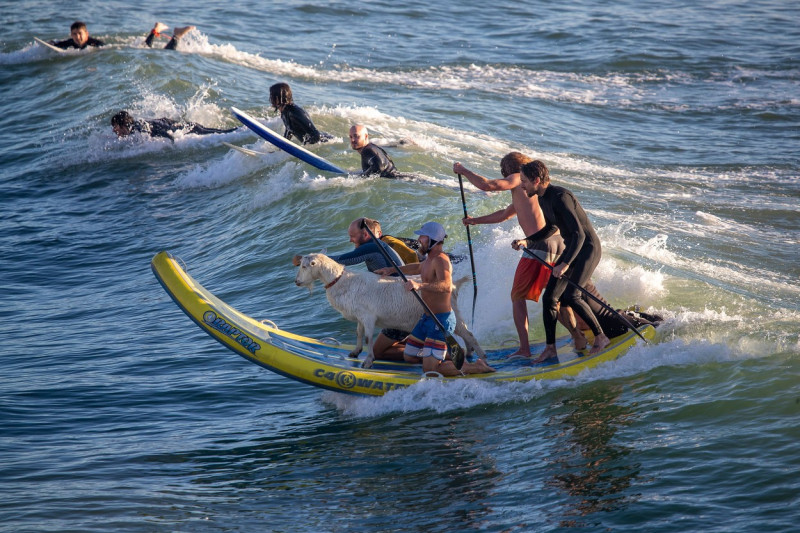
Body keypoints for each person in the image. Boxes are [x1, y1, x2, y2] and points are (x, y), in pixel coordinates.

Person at [455, 153, 565, 357]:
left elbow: (489, 185)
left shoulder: (516, 178)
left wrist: (464, 171)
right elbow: (505, 215)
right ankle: (580, 334)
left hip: (539, 245)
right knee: (555, 296)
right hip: (557, 242)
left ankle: (524, 349)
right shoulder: (526, 190)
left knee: (517, 296)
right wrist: (475, 221)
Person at [511, 160, 610, 362]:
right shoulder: (542, 198)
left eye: (524, 181)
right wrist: (527, 241)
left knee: (572, 296)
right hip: (572, 249)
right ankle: (550, 349)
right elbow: (551, 228)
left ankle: (601, 337)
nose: (521, 185)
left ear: (536, 180)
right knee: (550, 299)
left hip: (587, 250)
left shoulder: (561, 197)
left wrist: (564, 265)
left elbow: (579, 235)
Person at [377, 222, 494, 376]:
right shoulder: (428, 259)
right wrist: (391, 270)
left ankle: (478, 367)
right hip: (426, 319)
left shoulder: (440, 260)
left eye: (422, 237)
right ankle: (443, 356)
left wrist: (419, 286)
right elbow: (416, 268)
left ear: (432, 240)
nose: (419, 239)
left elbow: (446, 286)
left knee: (430, 371)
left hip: (440, 321)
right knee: (409, 355)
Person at [557, 281, 662, 349]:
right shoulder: (558, 293)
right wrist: (576, 333)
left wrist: (577, 335)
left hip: (615, 320)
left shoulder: (574, 282)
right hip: (609, 322)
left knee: (659, 325)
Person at [111, 110, 238, 140]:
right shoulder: (135, 129)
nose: (113, 130)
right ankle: (239, 130)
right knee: (220, 132)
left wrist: (170, 138)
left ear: (123, 124)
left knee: (221, 134)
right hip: (187, 127)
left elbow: (158, 129)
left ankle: (241, 130)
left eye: (115, 126)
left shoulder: (138, 127)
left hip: (190, 129)